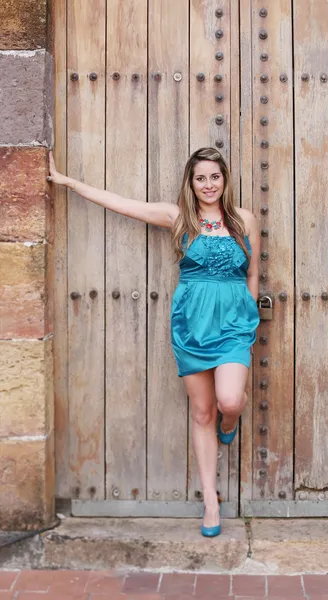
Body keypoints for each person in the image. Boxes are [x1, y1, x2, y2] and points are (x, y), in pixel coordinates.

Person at [48, 147, 260, 537]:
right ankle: (211, 501)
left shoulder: (243, 219)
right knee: (201, 413)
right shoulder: (179, 217)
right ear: (190, 183)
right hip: (191, 323)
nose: (208, 185)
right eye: (200, 178)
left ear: (225, 179)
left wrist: (248, 314)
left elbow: (253, 272)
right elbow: (122, 204)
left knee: (229, 399)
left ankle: (232, 419)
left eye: (215, 177)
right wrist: (70, 183)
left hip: (233, 322)